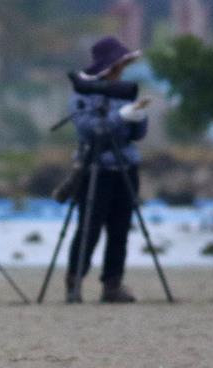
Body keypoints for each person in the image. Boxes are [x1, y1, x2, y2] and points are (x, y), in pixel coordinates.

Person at [65, 36, 149, 303]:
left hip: (125, 165)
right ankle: (74, 281)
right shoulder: (83, 93)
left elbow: (137, 134)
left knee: (121, 228)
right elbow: (89, 129)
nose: (121, 69)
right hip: (95, 167)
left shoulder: (124, 90)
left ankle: (112, 284)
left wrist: (138, 116)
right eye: (118, 64)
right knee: (89, 227)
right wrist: (119, 117)